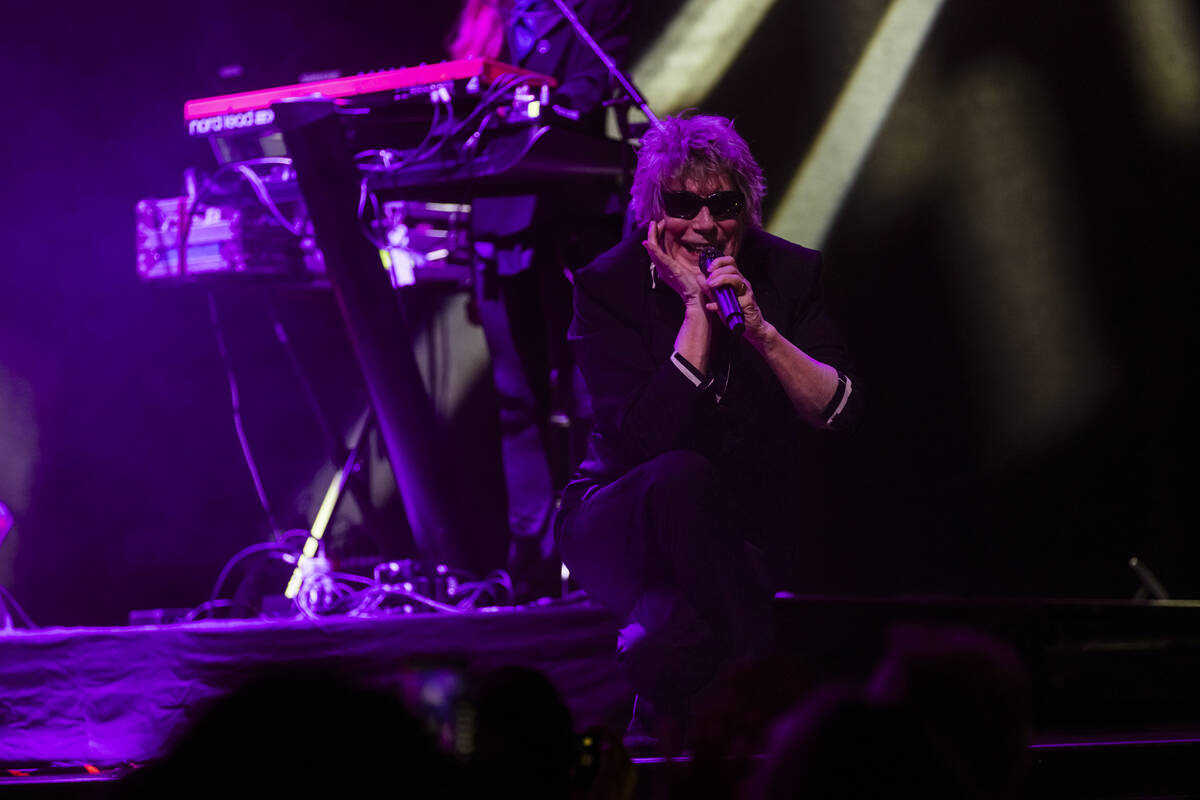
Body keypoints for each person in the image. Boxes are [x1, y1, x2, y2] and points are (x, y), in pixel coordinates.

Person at [553, 114, 860, 738]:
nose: (704, 225)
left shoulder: (786, 274)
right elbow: (645, 444)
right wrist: (696, 308)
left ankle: (676, 720)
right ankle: (764, 677)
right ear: (650, 209)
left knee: (662, 646)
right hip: (620, 517)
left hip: (731, 529)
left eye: (723, 204)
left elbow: (838, 410)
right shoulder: (606, 287)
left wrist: (761, 332)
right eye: (683, 205)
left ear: (746, 207)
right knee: (680, 477)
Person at [446, 0, 632, 599]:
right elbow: (457, 101)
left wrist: (540, 97)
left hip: (572, 215)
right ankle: (530, 553)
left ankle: (594, 546)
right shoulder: (486, 17)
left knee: (586, 392)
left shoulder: (588, 12)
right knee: (514, 401)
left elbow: (592, 84)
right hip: (499, 222)